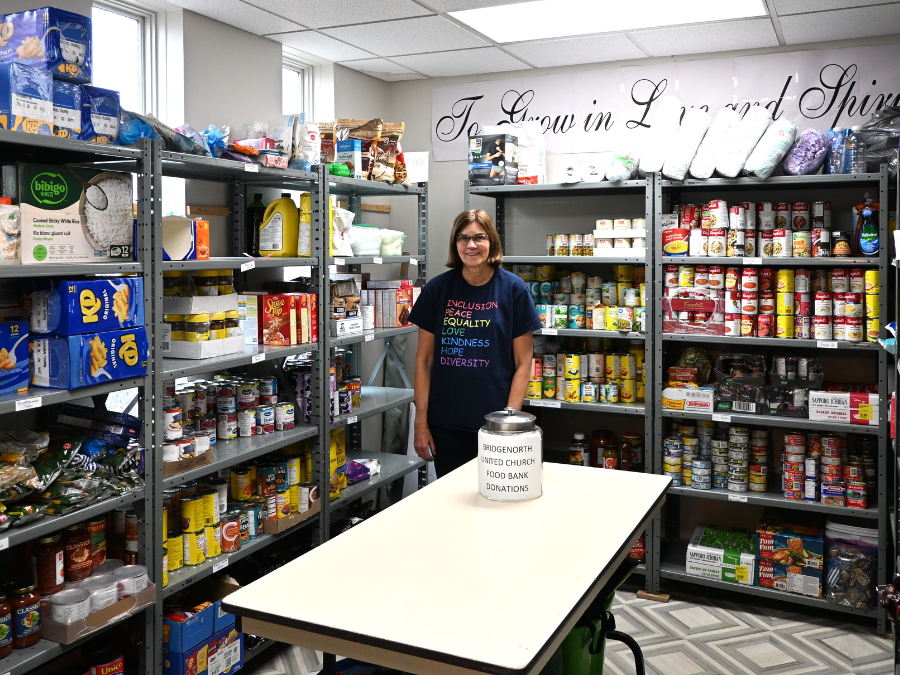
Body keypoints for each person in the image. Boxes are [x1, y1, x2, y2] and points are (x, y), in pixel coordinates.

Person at [409, 209, 541, 477]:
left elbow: (524, 362)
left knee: (497, 503)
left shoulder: (514, 289)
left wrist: (508, 423)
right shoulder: (437, 289)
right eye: (463, 238)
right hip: (445, 425)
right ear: (455, 243)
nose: (471, 245)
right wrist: (420, 422)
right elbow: (423, 361)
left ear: (491, 241)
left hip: (495, 425)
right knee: (453, 505)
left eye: (479, 237)